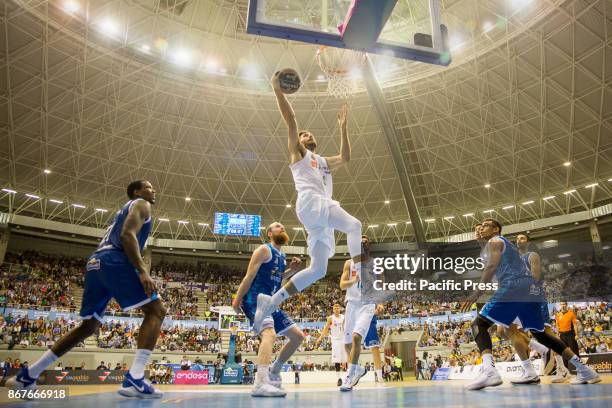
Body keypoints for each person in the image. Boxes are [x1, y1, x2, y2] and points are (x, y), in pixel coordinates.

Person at [7, 180, 166, 399]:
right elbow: (127, 235)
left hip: (96, 262)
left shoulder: (123, 211)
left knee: (88, 326)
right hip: (115, 260)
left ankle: (26, 376)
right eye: (148, 187)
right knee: (157, 310)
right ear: (137, 192)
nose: (153, 190)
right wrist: (142, 270)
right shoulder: (141, 204)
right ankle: (136, 378)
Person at [253, 73, 362, 333]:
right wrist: (277, 91)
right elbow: (291, 120)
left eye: (309, 134)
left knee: (318, 270)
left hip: (318, 217)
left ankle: (272, 301)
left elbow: (346, 157)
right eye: (303, 135)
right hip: (313, 203)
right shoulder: (298, 154)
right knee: (355, 225)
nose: (307, 135)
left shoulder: (322, 161)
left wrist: (343, 128)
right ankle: (361, 274)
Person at [461, 219, 600, 390]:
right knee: (540, 334)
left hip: (514, 286)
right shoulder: (500, 245)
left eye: (485, 226)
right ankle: (585, 370)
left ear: (496, 229)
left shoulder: (495, 241)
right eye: (480, 227)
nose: (482, 229)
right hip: (528, 289)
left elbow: (490, 266)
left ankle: (489, 370)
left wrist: (477, 292)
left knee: (479, 324)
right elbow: (491, 259)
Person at [233, 222, 305, 397]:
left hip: (271, 302)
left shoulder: (282, 255)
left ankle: (274, 371)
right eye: (278, 226)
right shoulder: (264, 250)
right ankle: (260, 382)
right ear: (269, 233)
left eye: (283, 226)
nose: (282, 227)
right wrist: (237, 299)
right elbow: (249, 276)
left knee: (297, 337)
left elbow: (278, 279)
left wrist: (292, 271)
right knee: (269, 334)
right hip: (256, 299)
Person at [338, 235, 380, 391]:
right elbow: (342, 285)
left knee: (356, 337)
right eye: (360, 239)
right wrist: (355, 281)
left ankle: (349, 377)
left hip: (367, 305)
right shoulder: (349, 263)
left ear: (369, 244)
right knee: (347, 344)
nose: (363, 241)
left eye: (366, 240)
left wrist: (380, 302)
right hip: (352, 304)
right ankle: (359, 369)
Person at [314, 303, 346, 386]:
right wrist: (320, 338)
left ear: (340, 309)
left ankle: (347, 378)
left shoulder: (343, 317)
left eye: (338, 308)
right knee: (337, 361)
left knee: (345, 360)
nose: (336, 309)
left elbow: (347, 328)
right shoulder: (330, 318)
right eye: (335, 308)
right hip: (335, 341)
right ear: (333, 309)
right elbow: (326, 329)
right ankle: (339, 379)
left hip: (343, 339)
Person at [556, 302, 582, 375]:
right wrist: (557, 335)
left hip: (570, 334)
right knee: (563, 352)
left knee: (575, 351)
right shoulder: (558, 315)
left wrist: (576, 334)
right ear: (560, 305)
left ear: (566, 305)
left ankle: (580, 369)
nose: (563, 305)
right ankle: (566, 371)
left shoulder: (571, 313)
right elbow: (557, 326)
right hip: (562, 335)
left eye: (564, 304)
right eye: (561, 304)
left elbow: (574, 325)